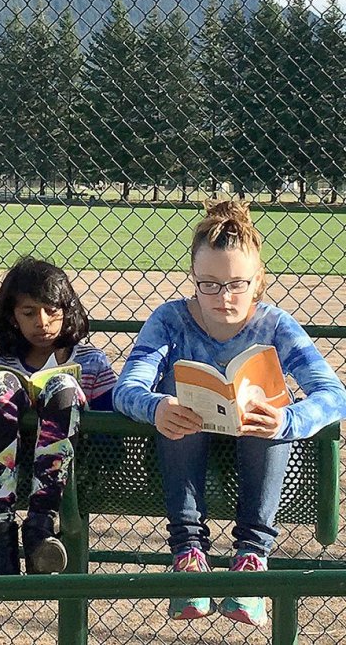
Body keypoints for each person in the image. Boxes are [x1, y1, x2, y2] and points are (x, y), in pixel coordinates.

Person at [113, 200, 346, 627]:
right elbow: (127, 388)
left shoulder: (275, 325)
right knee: (173, 395)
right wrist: (157, 406)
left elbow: (334, 394)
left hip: (257, 452)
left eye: (237, 284)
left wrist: (286, 420)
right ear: (193, 278)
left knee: (272, 410)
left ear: (258, 281)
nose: (223, 297)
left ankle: (252, 560)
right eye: (209, 284)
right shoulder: (171, 319)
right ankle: (188, 555)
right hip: (185, 446)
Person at [0, 257, 116, 576]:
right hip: (12, 466)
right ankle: (1, 534)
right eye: (29, 313)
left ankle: (40, 529)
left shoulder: (92, 361)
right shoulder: (0, 361)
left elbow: (111, 431)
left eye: (52, 311)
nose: (42, 322)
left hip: (75, 468)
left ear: (67, 310)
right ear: (12, 316)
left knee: (62, 385)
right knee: (0, 384)